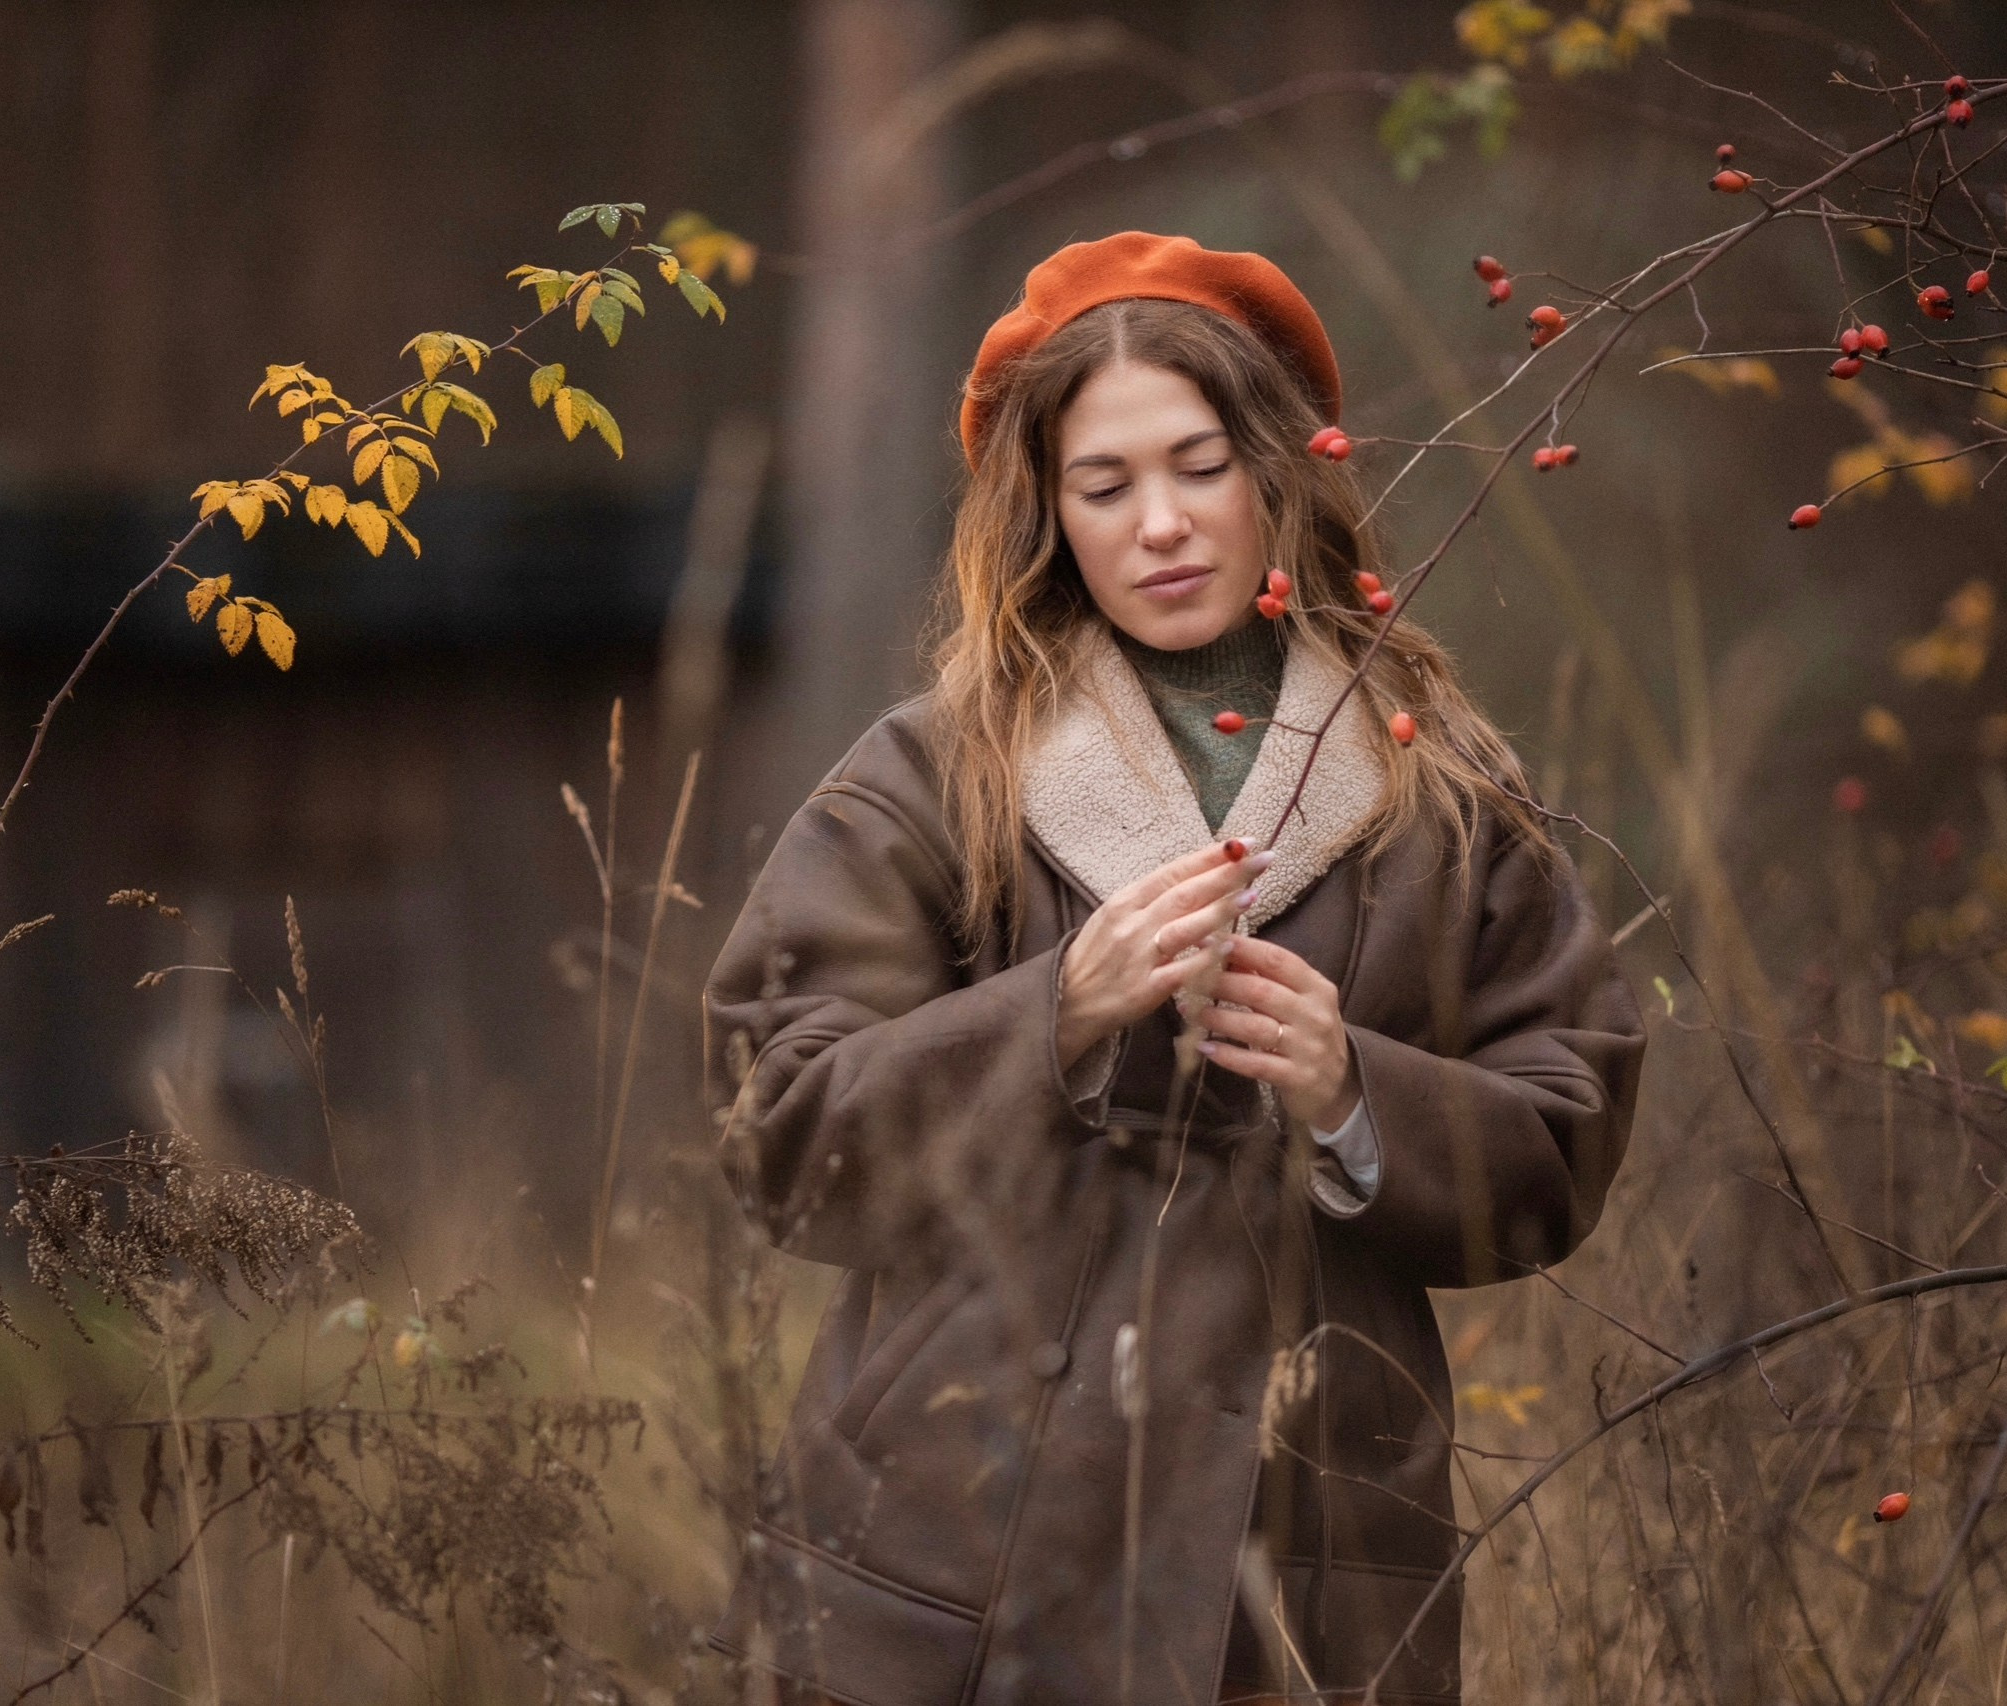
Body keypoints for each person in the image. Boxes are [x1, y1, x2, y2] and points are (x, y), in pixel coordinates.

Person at [704, 232, 1646, 1705]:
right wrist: (1053, 1012)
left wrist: (1353, 1093)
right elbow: (776, 1121)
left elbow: (1568, 1124)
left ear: (1281, 467)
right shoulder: (936, 769)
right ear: (1049, 516)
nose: (1161, 524)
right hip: (957, 1541)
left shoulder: (1437, 786)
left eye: (1199, 466)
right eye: (1105, 486)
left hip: (1307, 1559)